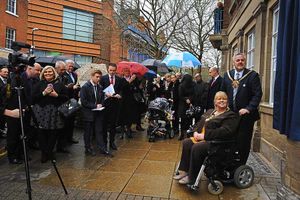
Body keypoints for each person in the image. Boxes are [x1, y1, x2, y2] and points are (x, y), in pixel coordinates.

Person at [174, 91, 239, 185]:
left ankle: (192, 177)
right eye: (219, 99)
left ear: (227, 102)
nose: (221, 100)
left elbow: (225, 132)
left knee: (197, 148)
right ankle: (184, 171)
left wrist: (204, 136)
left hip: (217, 143)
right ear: (215, 101)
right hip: (203, 138)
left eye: (224, 99)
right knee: (187, 142)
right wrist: (195, 131)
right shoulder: (210, 111)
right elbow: (199, 123)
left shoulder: (230, 115)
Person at [221, 53, 262, 164]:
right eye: (237, 60)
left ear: (245, 61)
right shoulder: (227, 75)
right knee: (230, 139)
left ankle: (241, 165)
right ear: (233, 62)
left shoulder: (252, 76)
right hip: (230, 115)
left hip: (246, 117)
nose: (240, 62)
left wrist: (248, 108)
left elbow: (257, 95)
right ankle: (230, 163)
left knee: (243, 141)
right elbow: (222, 93)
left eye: (242, 60)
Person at [32, 66, 68, 163]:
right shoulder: (38, 84)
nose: (48, 73)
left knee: (53, 134)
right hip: (41, 112)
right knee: (41, 134)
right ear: (43, 73)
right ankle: (44, 153)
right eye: (46, 72)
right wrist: (44, 93)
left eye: (50, 72)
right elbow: (32, 98)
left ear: (54, 73)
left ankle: (50, 152)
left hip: (55, 112)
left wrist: (57, 95)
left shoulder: (60, 84)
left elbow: (66, 98)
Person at [80, 70, 112, 157]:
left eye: (99, 77)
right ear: (92, 76)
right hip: (88, 113)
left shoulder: (100, 87)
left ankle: (103, 148)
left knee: (99, 131)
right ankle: (88, 148)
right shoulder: (85, 87)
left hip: (98, 113)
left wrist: (101, 103)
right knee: (88, 132)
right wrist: (94, 106)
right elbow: (84, 102)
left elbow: (101, 98)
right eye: (97, 77)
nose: (98, 79)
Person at [100, 63, 123, 150]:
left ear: (116, 70)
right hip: (105, 104)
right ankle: (104, 142)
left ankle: (112, 142)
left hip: (115, 104)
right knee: (104, 124)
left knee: (113, 124)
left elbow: (121, 90)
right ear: (108, 70)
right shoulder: (103, 78)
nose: (112, 72)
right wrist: (106, 94)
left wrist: (119, 95)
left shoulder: (119, 79)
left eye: (114, 70)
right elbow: (100, 90)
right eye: (111, 70)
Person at [63, 59, 79, 144]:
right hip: (66, 100)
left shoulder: (75, 75)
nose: (71, 67)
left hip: (74, 99)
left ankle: (70, 137)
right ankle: (65, 138)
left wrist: (77, 88)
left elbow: (76, 84)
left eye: (72, 66)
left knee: (72, 119)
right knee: (66, 120)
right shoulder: (63, 75)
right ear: (65, 66)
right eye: (69, 66)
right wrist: (71, 87)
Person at [178, 74, 195, 140]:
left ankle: (188, 134)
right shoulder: (181, 85)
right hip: (183, 105)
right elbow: (180, 95)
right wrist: (186, 99)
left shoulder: (192, 85)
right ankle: (182, 134)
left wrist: (190, 99)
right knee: (183, 120)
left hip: (189, 105)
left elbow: (193, 94)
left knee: (189, 120)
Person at [0, 66, 9, 137]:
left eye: (7, 72)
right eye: (5, 72)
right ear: (0, 72)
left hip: (5, 104)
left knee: (2, 121)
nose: (6, 73)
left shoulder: (7, 80)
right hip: (0, 104)